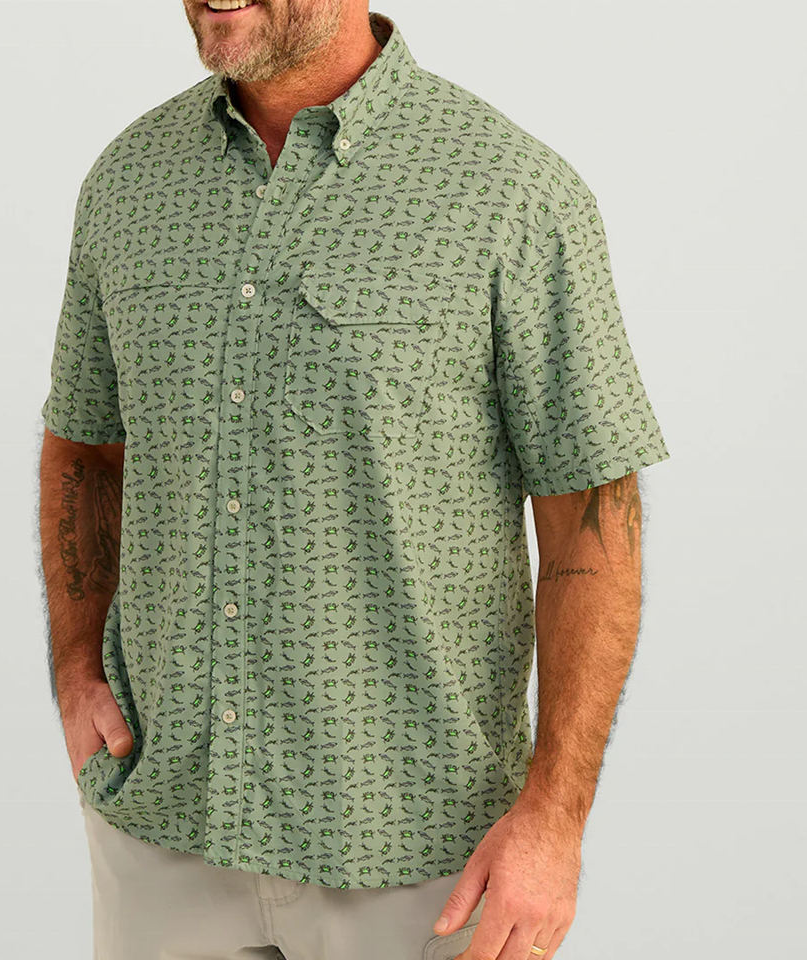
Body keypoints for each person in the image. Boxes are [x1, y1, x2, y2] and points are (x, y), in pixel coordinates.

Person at [38, 2, 671, 959]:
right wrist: (76, 670)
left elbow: (592, 517)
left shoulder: (510, 192)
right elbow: (86, 444)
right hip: (164, 828)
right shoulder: (129, 182)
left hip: (422, 855)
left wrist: (555, 817)